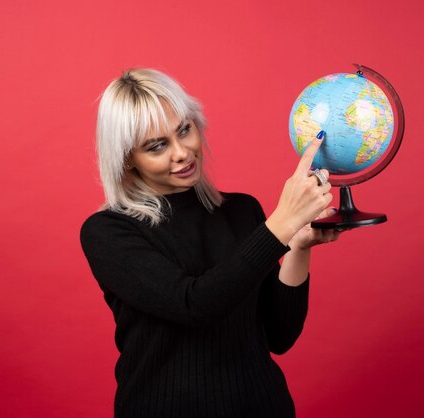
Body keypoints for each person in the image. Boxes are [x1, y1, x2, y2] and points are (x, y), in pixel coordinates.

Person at [80, 68, 341, 418]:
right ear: (128, 159)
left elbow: (280, 336)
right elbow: (195, 305)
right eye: (157, 146)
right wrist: (281, 224)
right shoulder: (108, 231)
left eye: (184, 130)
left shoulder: (242, 210)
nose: (182, 153)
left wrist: (297, 246)